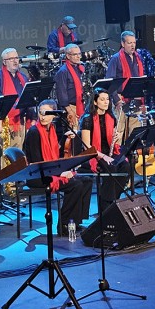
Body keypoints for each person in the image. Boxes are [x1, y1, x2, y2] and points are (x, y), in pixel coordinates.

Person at [23, 99, 93, 236]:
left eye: (46, 113)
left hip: (49, 171)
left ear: (54, 115)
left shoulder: (51, 129)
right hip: (38, 175)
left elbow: (54, 153)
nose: (42, 117)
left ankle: (75, 221)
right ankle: (63, 225)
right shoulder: (34, 132)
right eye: (40, 113)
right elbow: (38, 163)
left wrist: (64, 139)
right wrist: (60, 174)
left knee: (87, 181)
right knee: (75, 185)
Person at [79, 88, 132, 213]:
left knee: (126, 166)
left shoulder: (111, 117)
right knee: (111, 168)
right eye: (102, 99)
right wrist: (103, 156)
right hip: (94, 155)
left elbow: (114, 142)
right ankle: (105, 208)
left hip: (110, 153)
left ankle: (113, 200)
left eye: (107, 99)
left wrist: (116, 137)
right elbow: (87, 147)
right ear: (95, 102)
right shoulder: (87, 119)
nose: (106, 102)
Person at [0, 48, 32, 150]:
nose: (15, 61)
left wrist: (32, 118)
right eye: (11, 59)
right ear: (4, 62)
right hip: (5, 121)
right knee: (5, 153)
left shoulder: (23, 77)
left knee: (18, 152)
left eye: (16, 58)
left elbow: (28, 98)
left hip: (21, 120)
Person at [53, 43, 86, 120]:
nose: (78, 56)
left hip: (82, 105)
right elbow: (62, 94)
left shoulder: (80, 68)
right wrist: (70, 111)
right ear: (68, 56)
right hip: (71, 108)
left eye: (79, 54)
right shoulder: (63, 72)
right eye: (75, 54)